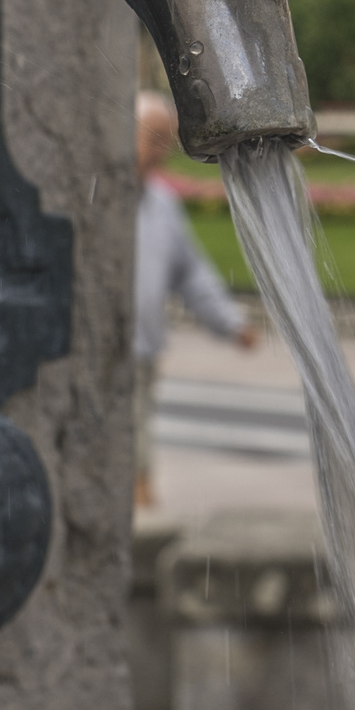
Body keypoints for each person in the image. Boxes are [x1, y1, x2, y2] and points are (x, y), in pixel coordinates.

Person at [135, 90, 260, 511]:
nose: (160, 151)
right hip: (88, 353)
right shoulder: (90, 198)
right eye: (152, 138)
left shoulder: (161, 204)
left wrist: (230, 323)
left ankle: (135, 536)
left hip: (139, 352)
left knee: (134, 453)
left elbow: (191, 273)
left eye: (165, 140)